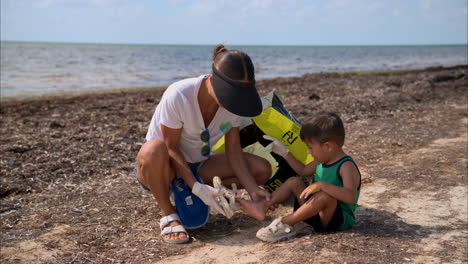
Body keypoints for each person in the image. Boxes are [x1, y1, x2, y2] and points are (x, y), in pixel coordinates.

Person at [136, 44, 272, 244]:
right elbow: (171, 148)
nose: (233, 102)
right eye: (230, 94)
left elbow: (233, 151)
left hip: (199, 166)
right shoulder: (180, 95)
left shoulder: (235, 105)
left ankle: (203, 192)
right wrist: (197, 187)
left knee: (261, 170)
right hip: (162, 168)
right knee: (153, 149)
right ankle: (168, 213)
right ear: (213, 79)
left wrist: (253, 189)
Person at [238, 112, 361, 242]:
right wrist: (285, 153)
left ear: (327, 147)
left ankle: (286, 222)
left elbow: (350, 196)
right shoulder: (322, 160)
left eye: (310, 147)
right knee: (293, 181)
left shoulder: (346, 166)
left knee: (324, 196)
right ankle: (263, 205)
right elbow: (303, 171)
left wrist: (322, 186)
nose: (308, 151)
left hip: (335, 220)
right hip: (313, 212)